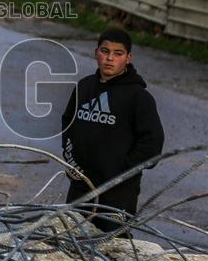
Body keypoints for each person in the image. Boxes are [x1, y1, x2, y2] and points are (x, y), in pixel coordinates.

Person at [60, 28, 164, 234]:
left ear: (128, 58)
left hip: (117, 193)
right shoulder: (84, 87)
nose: (110, 59)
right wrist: (70, 159)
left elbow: (152, 144)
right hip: (81, 187)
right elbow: (68, 123)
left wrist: (122, 172)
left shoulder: (138, 98)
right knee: (72, 239)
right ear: (96, 52)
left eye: (118, 54)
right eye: (105, 51)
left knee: (113, 247)